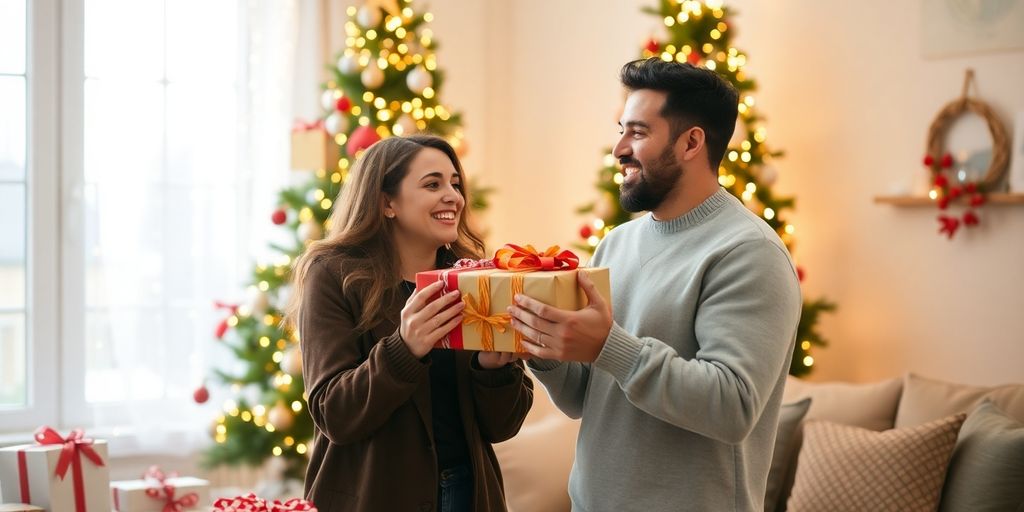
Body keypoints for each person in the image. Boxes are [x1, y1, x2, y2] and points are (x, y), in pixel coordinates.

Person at [509, 58, 802, 511]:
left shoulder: (749, 251)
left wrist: (609, 345)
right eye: (621, 129)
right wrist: (540, 343)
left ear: (691, 142)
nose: (618, 148)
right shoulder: (615, 244)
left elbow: (732, 407)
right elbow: (582, 399)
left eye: (638, 132)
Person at [288, 135, 533, 512]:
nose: (453, 196)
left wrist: (493, 369)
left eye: (455, 183)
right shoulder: (333, 274)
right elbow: (334, 413)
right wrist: (404, 348)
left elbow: (502, 427)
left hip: (469, 493)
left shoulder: (474, 279)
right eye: (432, 184)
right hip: (372, 497)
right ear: (387, 202)